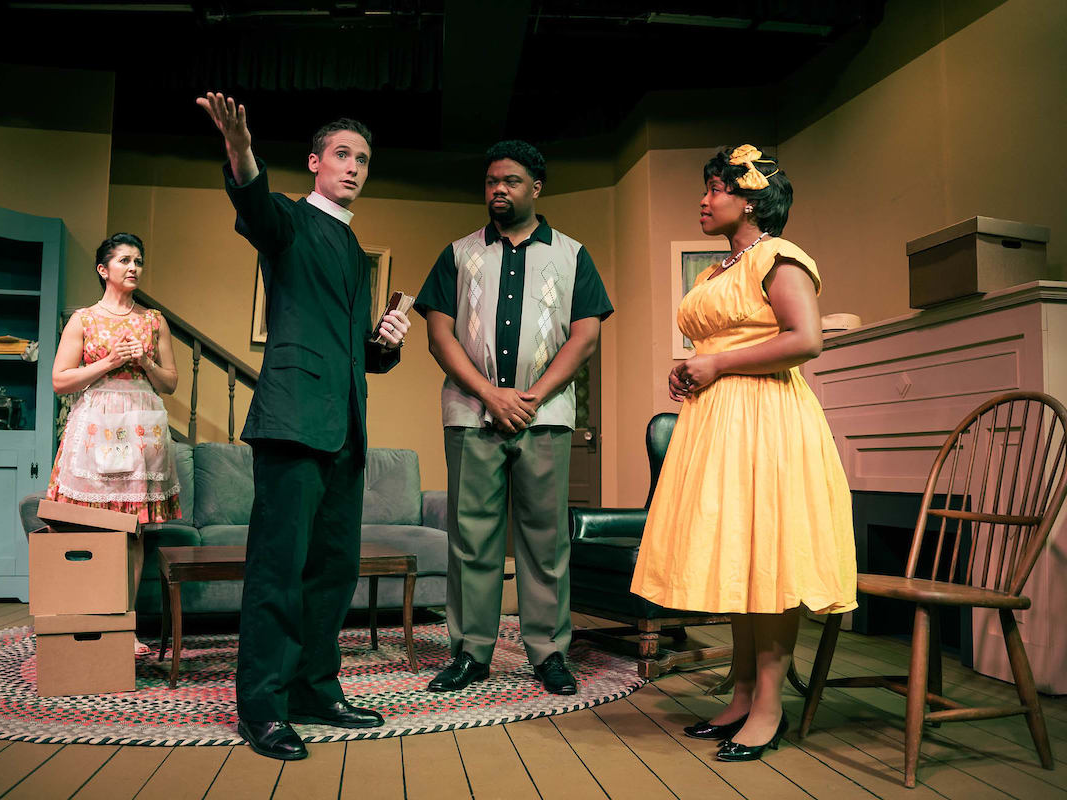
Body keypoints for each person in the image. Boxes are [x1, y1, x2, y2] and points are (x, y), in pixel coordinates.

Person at [197, 92, 411, 761]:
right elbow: (252, 203)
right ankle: (262, 706)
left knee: (332, 572)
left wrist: (384, 344)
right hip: (291, 423)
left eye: (363, 160)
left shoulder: (350, 248)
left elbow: (352, 350)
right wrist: (239, 149)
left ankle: (316, 687)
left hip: (346, 428)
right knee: (277, 571)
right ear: (316, 162)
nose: (353, 167)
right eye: (342, 155)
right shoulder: (288, 219)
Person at [630, 145, 857, 761]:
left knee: (771, 555)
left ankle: (768, 705)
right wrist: (690, 372)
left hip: (768, 420)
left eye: (713, 189)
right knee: (739, 552)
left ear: (750, 198)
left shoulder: (780, 258)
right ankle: (738, 691)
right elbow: (723, 341)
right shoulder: (716, 272)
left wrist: (717, 363)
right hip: (718, 423)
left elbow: (804, 339)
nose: (703, 201)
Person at [415, 140, 613, 696]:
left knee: (545, 541)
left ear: (536, 188)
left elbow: (586, 334)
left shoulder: (573, 255)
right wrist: (489, 395)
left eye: (511, 181)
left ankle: (548, 653)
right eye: (490, 181)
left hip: (544, 417)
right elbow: (438, 333)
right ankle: (470, 653)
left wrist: (528, 397)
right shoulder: (458, 253)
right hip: (470, 415)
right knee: (472, 539)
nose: (498, 189)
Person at [47, 233, 182, 655]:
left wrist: (142, 360)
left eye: (139, 260)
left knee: (134, 530)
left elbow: (171, 383)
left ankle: (126, 628)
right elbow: (59, 380)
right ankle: (91, 622)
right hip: (95, 428)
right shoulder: (84, 319)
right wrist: (109, 361)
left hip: (140, 429)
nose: (134, 267)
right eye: (124, 260)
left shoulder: (153, 319)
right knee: (94, 526)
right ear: (104, 269)